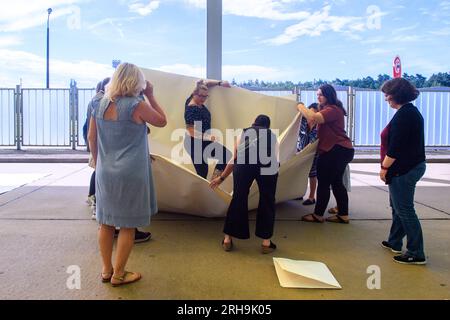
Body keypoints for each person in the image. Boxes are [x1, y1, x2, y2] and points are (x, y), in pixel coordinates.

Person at [88, 62, 167, 286]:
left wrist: (98, 162)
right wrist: (151, 94)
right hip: (132, 172)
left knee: (105, 223)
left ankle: (106, 270)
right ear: (136, 81)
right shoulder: (136, 105)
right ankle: (119, 274)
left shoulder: (97, 102)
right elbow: (162, 121)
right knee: (128, 225)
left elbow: (92, 138)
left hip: (105, 172)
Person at [210, 115, 279, 254]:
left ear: (253, 123)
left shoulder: (244, 132)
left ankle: (227, 239)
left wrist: (221, 178)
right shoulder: (272, 136)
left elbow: (234, 159)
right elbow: (276, 160)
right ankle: (266, 242)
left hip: (244, 165)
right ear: (267, 126)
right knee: (267, 200)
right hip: (268, 167)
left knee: (238, 198)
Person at [379, 78, 426, 265]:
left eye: (387, 95)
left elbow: (396, 147)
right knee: (398, 208)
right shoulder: (409, 112)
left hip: (404, 169)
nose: (386, 99)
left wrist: (384, 168)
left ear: (397, 95)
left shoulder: (405, 115)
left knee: (404, 210)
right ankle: (394, 241)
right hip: (406, 167)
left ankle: (416, 251)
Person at [297, 84, 354, 224]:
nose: (318, 97)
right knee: (336, 183)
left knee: (324, 183)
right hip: (340, 150)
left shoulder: (332, 110)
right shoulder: (333, 109)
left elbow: (313, 117)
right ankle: (343, 215)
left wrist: (300, 105)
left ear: (329, 95)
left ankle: (318, 215)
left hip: (335, 150)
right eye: (317, 94)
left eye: (320, 94)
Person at [184, 79, 233, 180]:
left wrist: (220, 83)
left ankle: (214, 182)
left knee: (226, 155)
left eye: (205, 96)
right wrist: (208, 136)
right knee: (202, 173)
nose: (203, 98)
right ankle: (202, 190)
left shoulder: (192, 98)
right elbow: (190, 131)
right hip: (194, 144)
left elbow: (206, 84)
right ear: (194, 93)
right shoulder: (191, 108)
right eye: (201, 96)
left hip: (205, 142)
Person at [296, 103, 319, 205]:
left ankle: (311, 197)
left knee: (312, 174)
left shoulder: (320, 125)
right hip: (300, 150)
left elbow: (313, 142)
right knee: (299, 172)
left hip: (313, 153)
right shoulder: (303, 121)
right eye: (308, 113)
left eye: (313, 114)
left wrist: (303, 152)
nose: (310, 117)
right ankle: (298, 193)